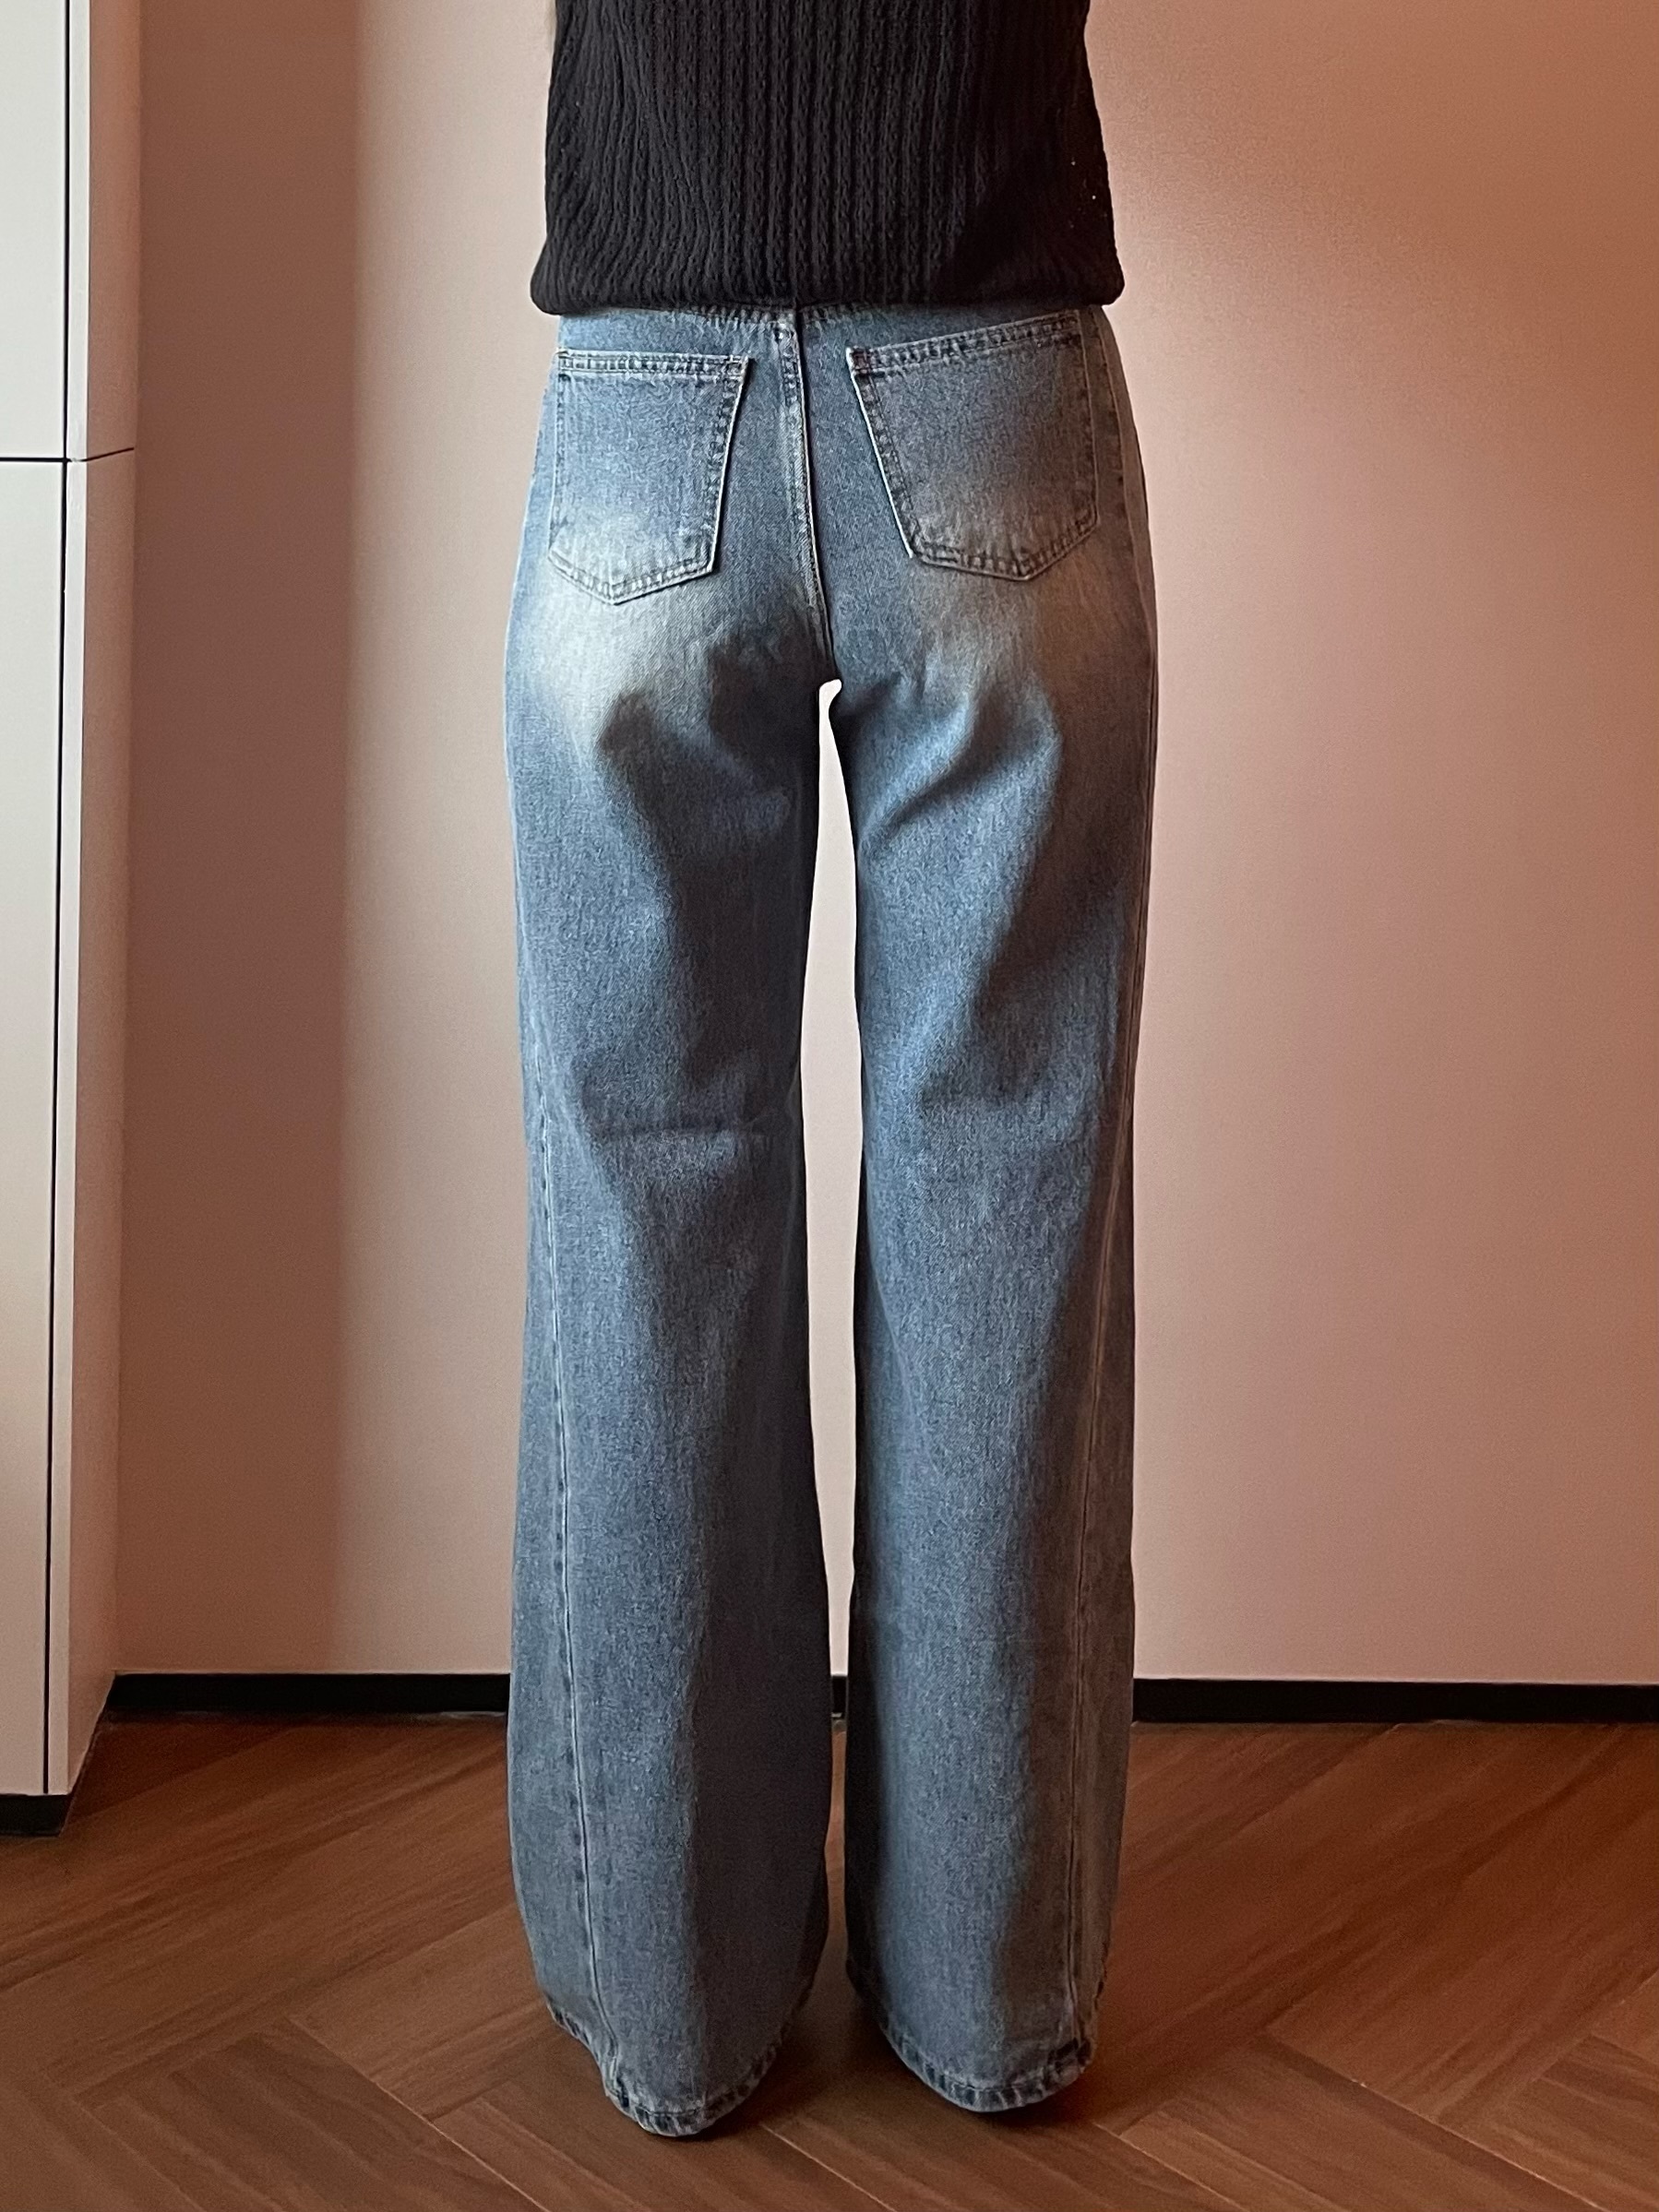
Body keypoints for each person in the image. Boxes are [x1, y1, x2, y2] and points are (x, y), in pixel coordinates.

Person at [500, 0, 1159, 2141]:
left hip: (646, 400)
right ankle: (986, 1991)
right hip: (988, 377)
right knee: (1000, 1197)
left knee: (643, 1205)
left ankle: (673, 2002)